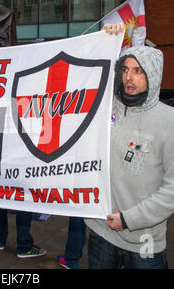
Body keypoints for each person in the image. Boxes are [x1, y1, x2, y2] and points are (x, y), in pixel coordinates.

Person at [84, 46, 174, 269]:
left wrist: (129, 219)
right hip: (101, 229)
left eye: (138, 70)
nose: (128, 77)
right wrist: (106, 39)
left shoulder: (172, 122)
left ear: (153, 74)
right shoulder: (104, 108)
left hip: (144, 237)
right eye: (124, 69)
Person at [56, 23, 125, 269]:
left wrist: (112, 36)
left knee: (105, 225)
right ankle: (73, 258)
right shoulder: (81, 96)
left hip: (109, 178)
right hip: (84, 172)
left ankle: (79, 258)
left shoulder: (116, 100)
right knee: (82, 218)